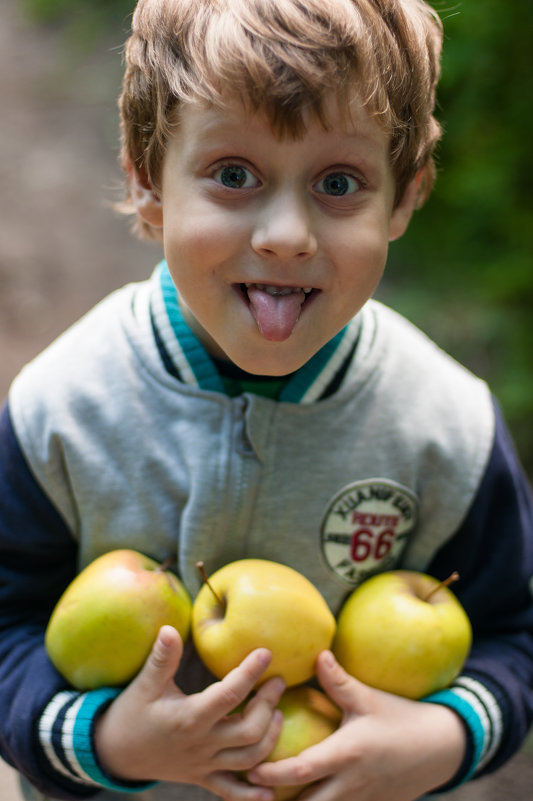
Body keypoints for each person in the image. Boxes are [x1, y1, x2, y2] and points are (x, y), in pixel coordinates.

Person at [1, 0, 532, 799]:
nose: (286, 233)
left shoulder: (444, 426)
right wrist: (109, 739)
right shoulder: (63, 409)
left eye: (338, 182)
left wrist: (442, 736)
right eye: (234, 175)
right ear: (146, 182)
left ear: (404, 197)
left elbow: (511, 632)